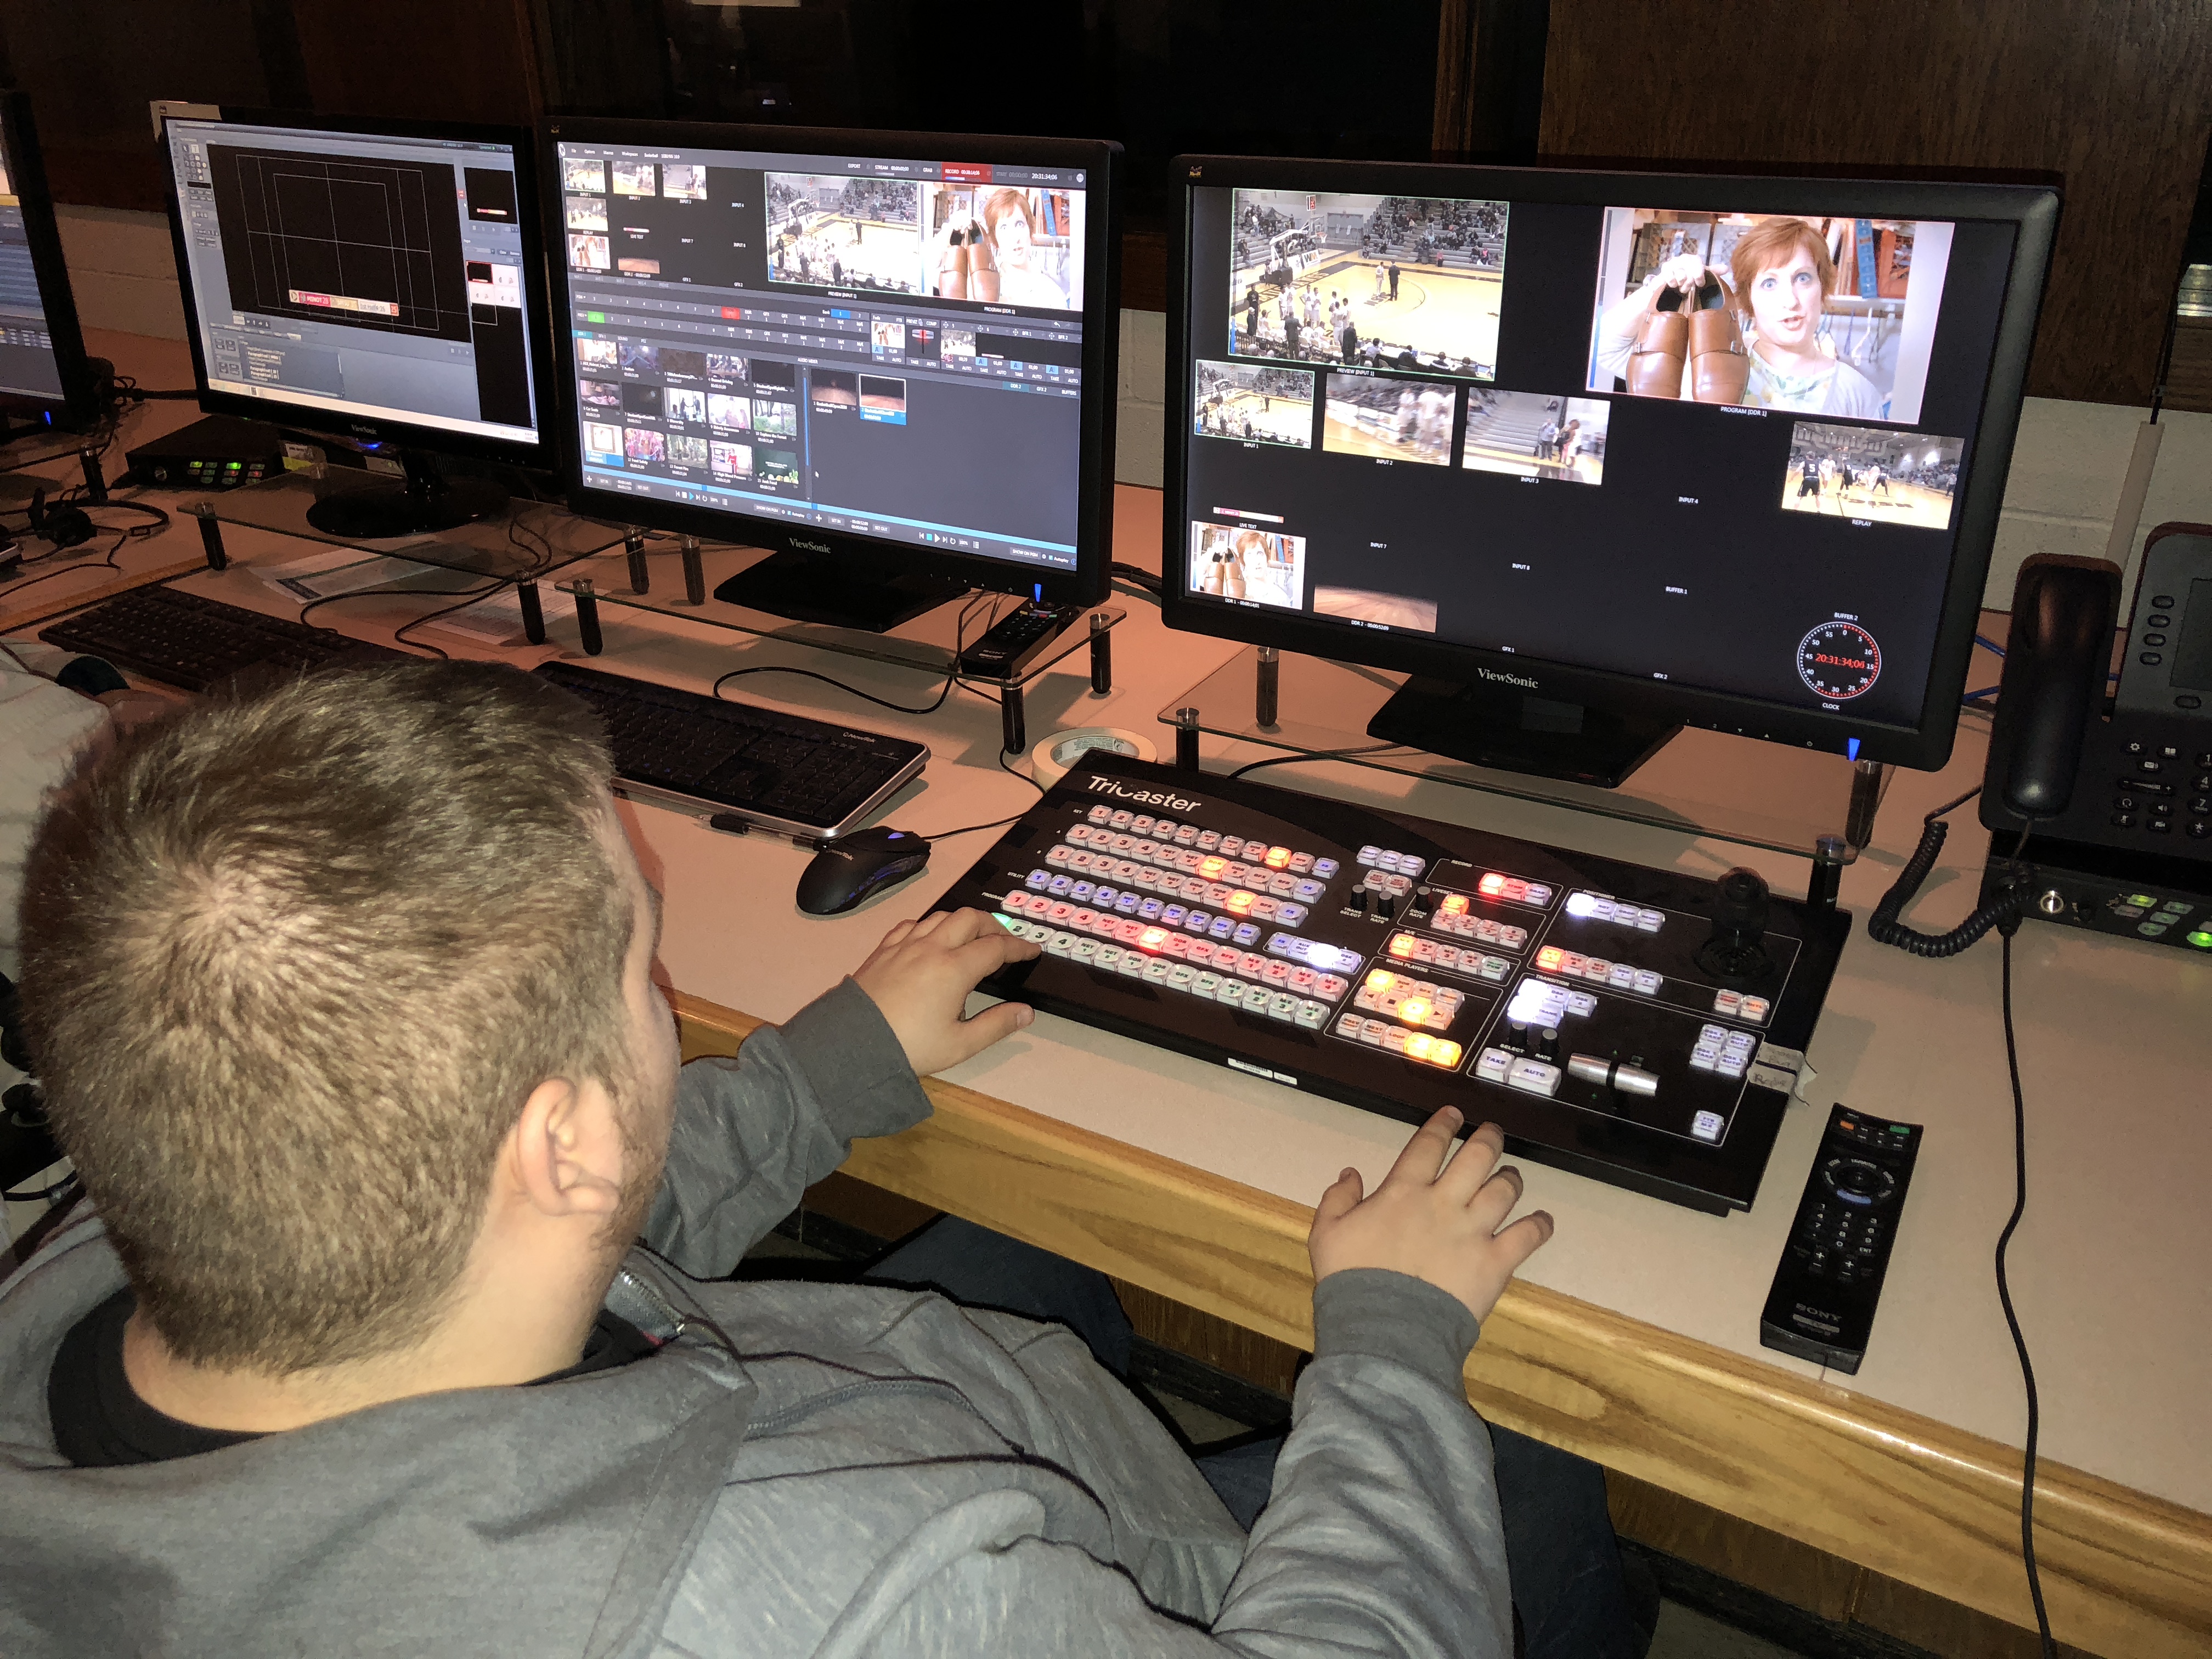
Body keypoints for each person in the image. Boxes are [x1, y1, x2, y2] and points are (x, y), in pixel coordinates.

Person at [1592, 218, 1883, 415]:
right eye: (1769, 283)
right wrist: (1660, 284)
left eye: (1803, 278)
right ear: (1748, 298)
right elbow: (1603, 349)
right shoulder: (1706, 358)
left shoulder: (1858, 394)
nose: (1790, 301)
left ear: (1822, 287)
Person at [979, 187, 1066, 308]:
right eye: (1004, 227)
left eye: (1019, 224)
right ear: (995, 238)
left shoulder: (1052, 294)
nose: (1015, 237)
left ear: (1030, 228)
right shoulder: (983, 288)